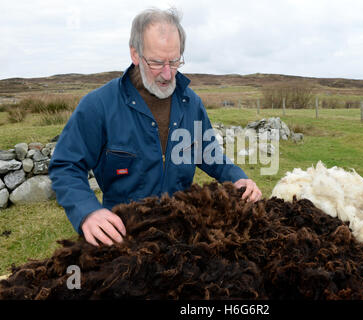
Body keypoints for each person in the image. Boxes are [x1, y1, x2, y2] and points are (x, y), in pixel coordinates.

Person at [49, 7, 262, 247]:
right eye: (158, 62)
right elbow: (66, 164)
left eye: (175, 61)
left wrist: (238, 178)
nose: (168, 73)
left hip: (181, 236)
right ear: (135, 54)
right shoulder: (99, 105)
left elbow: (209, 153)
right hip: (123, 239)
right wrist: (87, 211)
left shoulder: (191, 103)